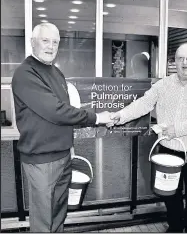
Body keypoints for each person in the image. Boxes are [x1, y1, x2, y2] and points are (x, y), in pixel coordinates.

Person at [11, 23, 114, 232]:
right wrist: (97, 117)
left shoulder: (55, 73)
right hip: (41, 160)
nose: (51, 47)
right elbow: (56, 112)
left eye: (55, 42)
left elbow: (65, 112)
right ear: (32, 43)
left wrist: (70, 146)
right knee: (43, 219)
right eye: (45, 41)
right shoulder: (25, 74)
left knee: (59, 212)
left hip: (63, 155)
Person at [111, 43, 187, 233]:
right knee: (170, 195)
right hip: (168, 152)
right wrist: (119, 116)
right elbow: (144, 104)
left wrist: (176, 129)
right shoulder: (163, 84)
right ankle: (176, 227)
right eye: (180, 59)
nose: (185, 63)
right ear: (174, 62)